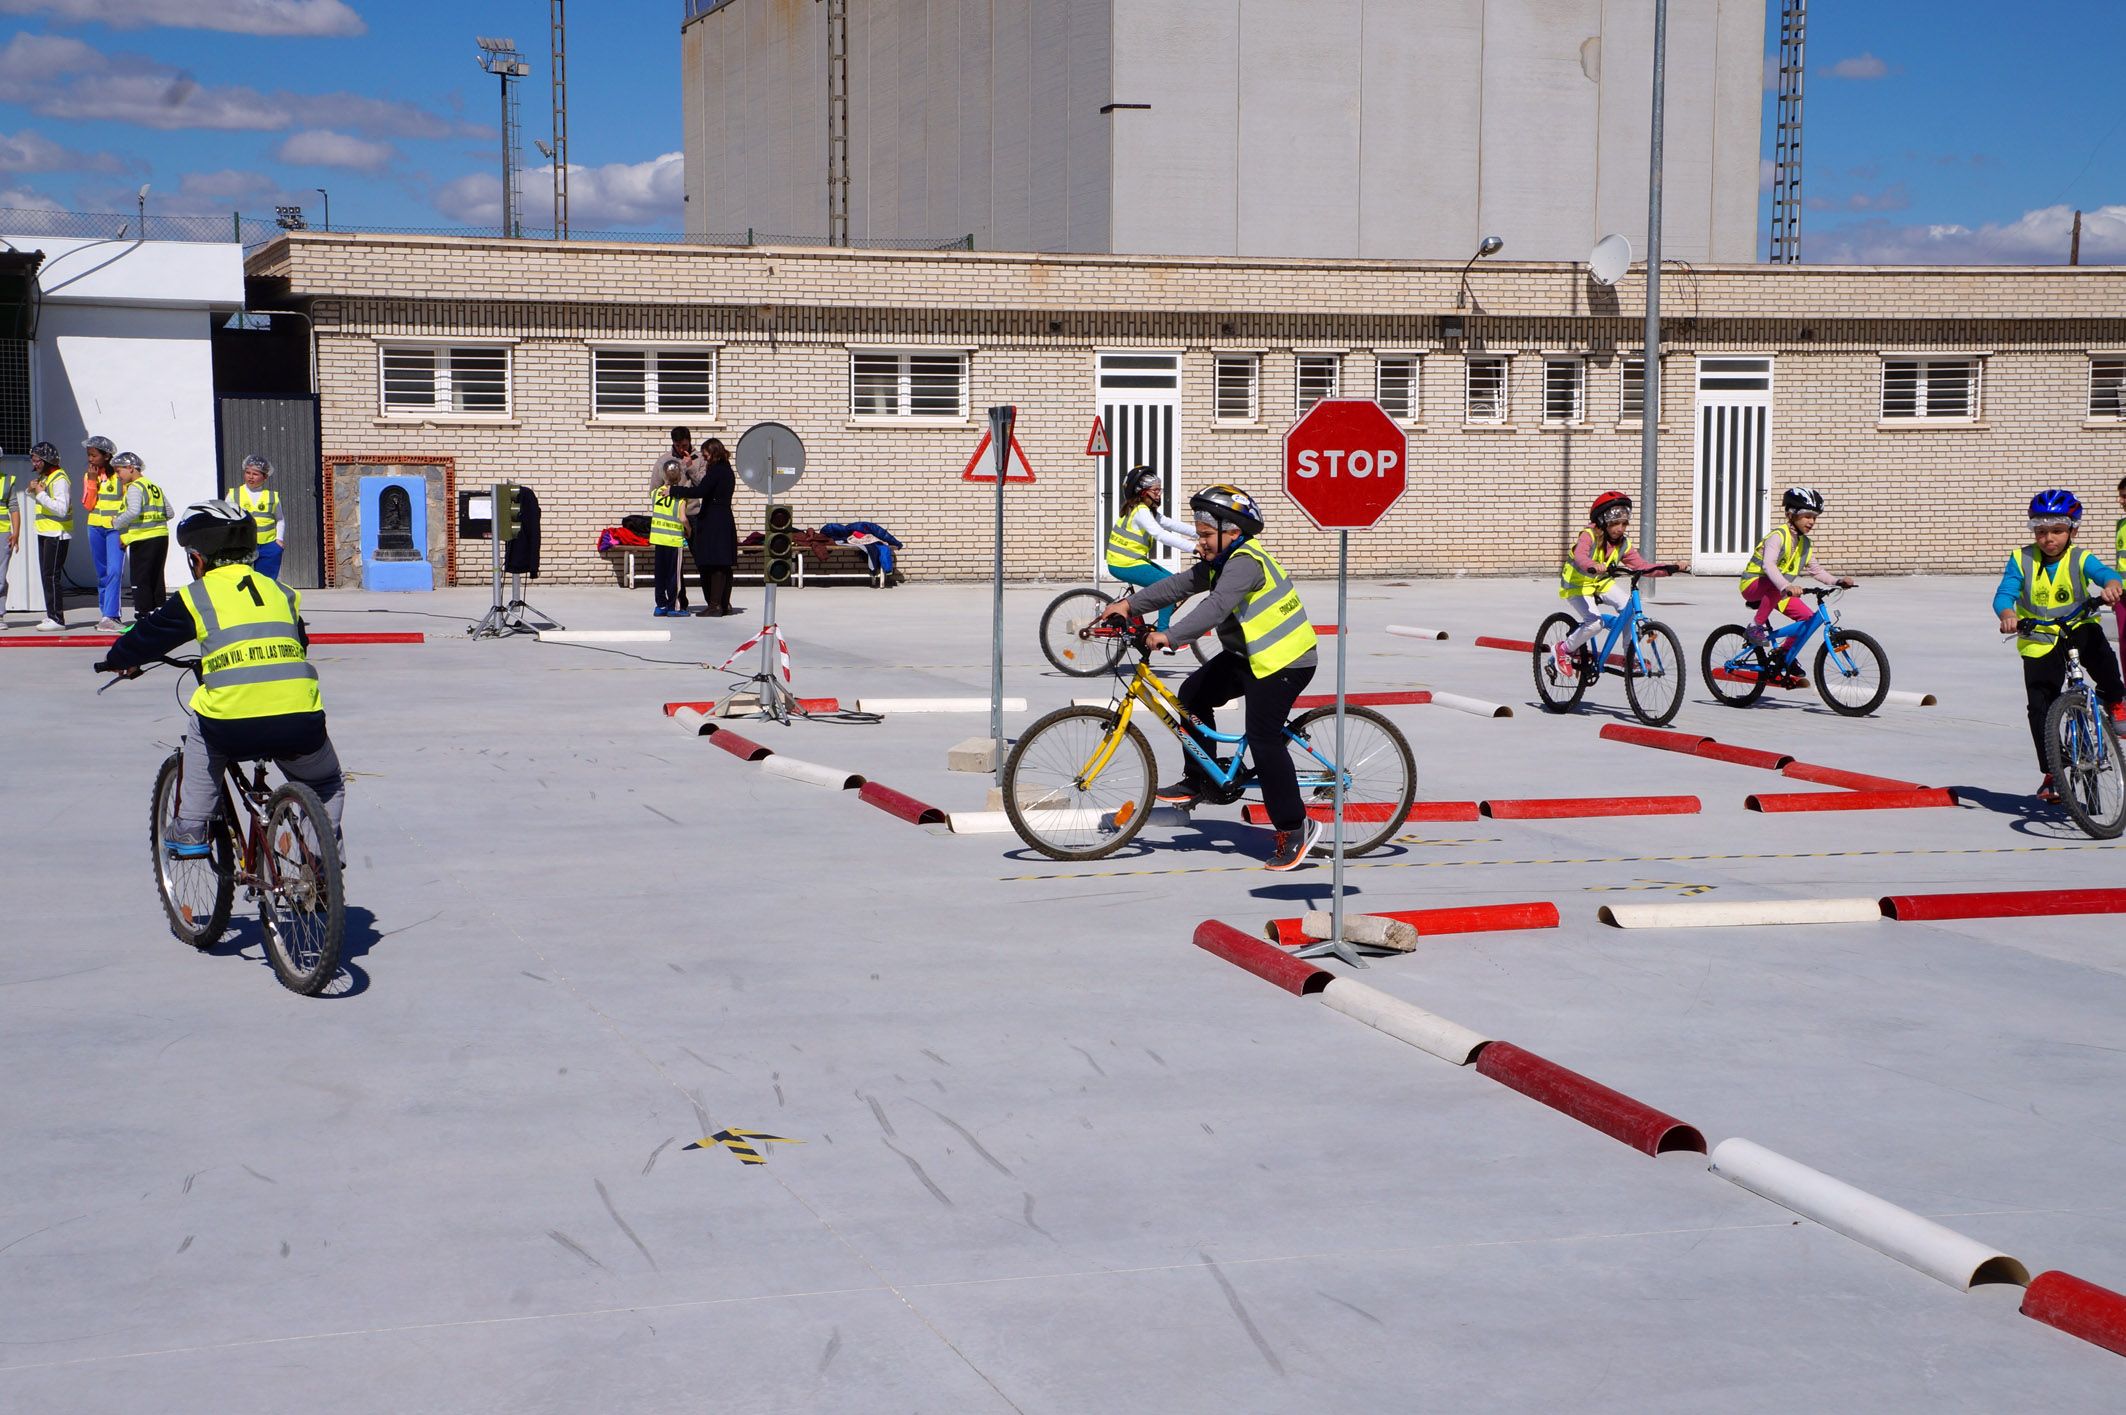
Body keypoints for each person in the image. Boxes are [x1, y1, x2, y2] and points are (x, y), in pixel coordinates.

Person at [95, 500, 345, 856]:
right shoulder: (283, 592)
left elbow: (147, 637)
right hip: (301, 719)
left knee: (202, 727)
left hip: (232, 724)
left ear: (197, 559)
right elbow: (299, 644)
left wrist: (118, 660)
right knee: (326, 782)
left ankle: (191, 830)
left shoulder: (197, 595)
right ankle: (320, 862)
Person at [1101, 484, 1323, 871]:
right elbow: (1179, 585)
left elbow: (1216, 607)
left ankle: (1294, 826)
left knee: (1263, 739)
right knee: (1192, 693)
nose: (1199, 542)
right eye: (1199, 534)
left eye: (1205, 535)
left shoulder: (1245, 563)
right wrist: (1127, 603)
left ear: (1232, 532)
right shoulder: (1223, 561)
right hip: (1249, 657)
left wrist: (1170, 636)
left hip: (1285, 662)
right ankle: (1200, 779)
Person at [1994, 489, 2126, 802]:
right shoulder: (2021, 559)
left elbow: (2104, 573)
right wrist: (2008, 614)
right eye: (2041, 532)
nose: (2048, 539)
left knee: (2103, 659)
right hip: (2038, 638)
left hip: (2077, 628)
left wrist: (2110, 586)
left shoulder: (2080, 557)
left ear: (2072, 530)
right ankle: (2053, 771)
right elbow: (2004, 593)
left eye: (2056, 531)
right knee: (2039, 707)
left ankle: (2115, 699)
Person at [1553, 491, 1671, 676]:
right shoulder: (1589, 536)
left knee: (1628, 608)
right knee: (1595, 624)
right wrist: (1592, 565)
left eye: (1624, 523)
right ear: (1602, 521)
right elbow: (1580, 556)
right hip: (1578, 584)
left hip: (1601, 582)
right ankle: (1563, 649)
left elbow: (1642, 566)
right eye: (1615, 523)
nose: (1620, 528)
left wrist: (1670, 568)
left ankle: (1629, 657)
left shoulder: (1623, 544)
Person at [1740, 487, 1856, 662]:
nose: (1812, 522)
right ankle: (1754, 627)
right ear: (1791, 514)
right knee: (1774, 587)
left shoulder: (1805, 544)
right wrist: (1786, 586)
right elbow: (1769, 565)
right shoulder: (1778, 536)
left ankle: (1784, 655)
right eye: (1807, 516)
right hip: (1753, 585)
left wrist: (1838, 581)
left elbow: (1816, 570)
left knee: (1808, 619)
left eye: (1815, 517)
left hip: (1779, 591)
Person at [1104, 465, 1197, 633]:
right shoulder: (1141, 511)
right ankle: (1163, 635)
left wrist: (1203, 533)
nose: (1159, 494)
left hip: (1129, 561)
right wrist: (1194, 548)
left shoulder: (1144, 510)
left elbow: (1171, 524)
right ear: (1142, 492)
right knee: (1170, 589)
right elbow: (1160, 535)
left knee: (1174, 583)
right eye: (1155, 490)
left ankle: (1139, 619)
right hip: (1125, 564)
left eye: (1160, 490)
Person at [672, 436, 738, 615]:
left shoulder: (717, 470)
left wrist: (675, 491)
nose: (705, 458)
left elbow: (701, 490)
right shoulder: (727, 470)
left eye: (706, 454)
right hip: (724, 518)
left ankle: (714, 605)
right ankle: (724, 604)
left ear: (713, 453)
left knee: (714, 562)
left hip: (714, 520)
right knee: (723, 564)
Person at [108, 451, 170, 615]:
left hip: (144, 540)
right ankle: (159, 613)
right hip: (161, 537)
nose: (117, 476)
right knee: (156, 577)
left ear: (130, 468)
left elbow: (134, 511)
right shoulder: (154, 486)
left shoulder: (135, 487)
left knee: (140, 579)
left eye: (119, 471)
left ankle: (143, 615)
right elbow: (169, 512)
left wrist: (117, 523)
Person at [27, 439, 72, 631]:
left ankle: (57, 619)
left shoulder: (59, 479)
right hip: (45, 531)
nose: (34, 464)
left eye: (37, 460)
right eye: (33, 460)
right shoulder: (46, 478)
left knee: (52, 576)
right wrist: (32, 491)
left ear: (47, 460)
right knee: (46, 575)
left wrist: (40, 494)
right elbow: (40, 499)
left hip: (56, 533)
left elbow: (61, 509)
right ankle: (51, 615)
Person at [659, 428, 705, 613]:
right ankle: (679, 600)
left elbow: (703, 485)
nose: (680, 449)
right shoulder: (664, 460)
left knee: (701, 558)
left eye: (684, 445)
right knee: (675, 563)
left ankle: (713, 600)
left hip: (693, 514)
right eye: (677, 446)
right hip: (671, 518)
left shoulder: (700, 459)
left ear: (689, 441)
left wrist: (690, 466)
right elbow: (654, 488)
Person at [82, 435, 124, 630]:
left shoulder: (119, 476)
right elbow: (88, 504)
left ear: (106, 456)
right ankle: (105, 613)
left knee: (115, 570)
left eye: (93, 455)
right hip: (95, 528)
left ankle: (111, 615)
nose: (90, 459)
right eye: (89, 455)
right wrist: (91, 481)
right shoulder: (89, 476)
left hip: (115, 529)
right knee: (102, 573)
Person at [648, 455, 688, 617]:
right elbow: (683, 518)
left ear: (664, 475)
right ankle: (674, 606)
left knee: (660, 574)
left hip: (658, 539)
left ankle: (660, 605)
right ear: (679, 476)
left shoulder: (655, 493)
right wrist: (689, 530)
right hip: (673, 540)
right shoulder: (679, 496)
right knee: (674, 576)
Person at [235, 454, 286, 580]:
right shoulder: (234, 495)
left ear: (265, 477)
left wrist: (279, 541)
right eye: (247, 473)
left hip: (268, 546)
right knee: (242, 581)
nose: (250, 477)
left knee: (266, 582)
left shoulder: (272, 497)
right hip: (242, 546)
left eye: (255, 474)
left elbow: (280, 519)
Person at [0, 454, 16, 630]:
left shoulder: (6, 481)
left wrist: (16, 533)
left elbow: (14, 508)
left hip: (2, 533)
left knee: (0, 577)